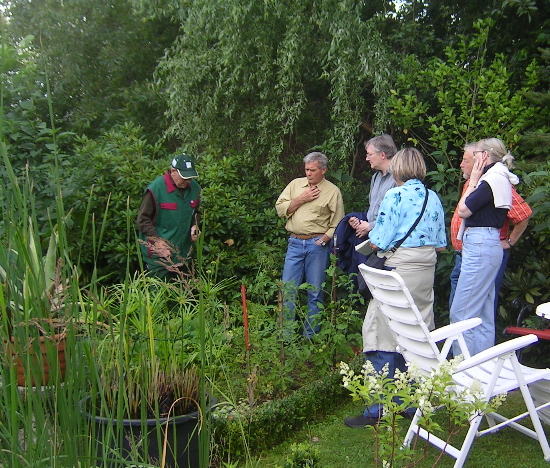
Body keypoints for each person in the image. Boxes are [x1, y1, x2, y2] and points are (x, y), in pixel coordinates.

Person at [345, 147, 447, 428]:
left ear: (397, 168)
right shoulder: (432, 196)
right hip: (426, 269)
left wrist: (367, 243)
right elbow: (440, 242)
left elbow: (380, 239)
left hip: (399, 269)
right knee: (417, 331)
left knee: (378, 331)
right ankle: (412, 401)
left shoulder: (395, 195)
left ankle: (379, 407)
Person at [449, 138, 519, 357]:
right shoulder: (500, 177)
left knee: (461, 314)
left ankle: (464, 377)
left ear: (485, 155)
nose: (473, 158)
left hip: (480, 246)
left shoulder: (490, 180)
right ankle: (484, 373)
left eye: (476, 153)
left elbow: (463, 210)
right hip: (488, 245)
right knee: (483, 314)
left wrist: (473, 181)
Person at [449, 143, 532, 314]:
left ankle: (461, 341)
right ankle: (474, 341)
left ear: (481, 158)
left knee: (465, 312)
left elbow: (523, 214)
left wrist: (509, 242)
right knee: (478, 311)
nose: (461, 164)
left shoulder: (491, 181)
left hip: (481, 250)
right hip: (467, 252)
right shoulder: (475, 182)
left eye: (466, 160)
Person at [275, 152, 345, 337]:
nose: (308, 173)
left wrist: (325, 239)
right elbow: (280, 209)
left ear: (323, 170)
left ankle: (311, 337)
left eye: (312, 170)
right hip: (295, 242)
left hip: (317, 245)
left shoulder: (332, 191)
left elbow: (338, 222)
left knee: (315, 291)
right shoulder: (295, 185)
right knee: (289, 289)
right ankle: (286, 336)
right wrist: (301, 198)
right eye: (306, 169)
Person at [334, 134, 397, 293]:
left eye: (369, 154)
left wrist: (370, 226)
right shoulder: (376, 177)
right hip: (372, 240)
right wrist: (359, 222)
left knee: (384, 289)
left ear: (382, 155)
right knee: (368, 286)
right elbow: (372, 210)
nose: (367, 158)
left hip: (390, 244)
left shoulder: (398, 178)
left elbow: (397, 215)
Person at [137, 153, 201, 280]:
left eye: (190, 178)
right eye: (184, 177)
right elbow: (143, 220)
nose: (187, 181)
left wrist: (196, 224)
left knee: (183, 296)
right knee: (158, 297)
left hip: (185, 256)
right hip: (160, 257)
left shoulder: (195, 188)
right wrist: (157, 241)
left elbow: (196, 212)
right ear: (173, 171)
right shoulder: (156, 189)